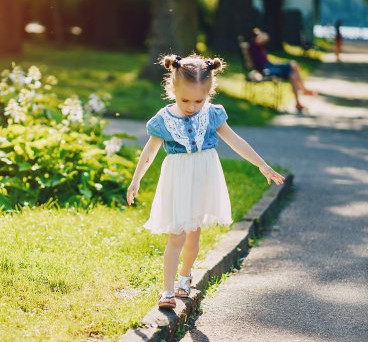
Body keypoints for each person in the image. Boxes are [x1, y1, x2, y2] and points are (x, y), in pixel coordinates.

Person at [126, 53, 285, 309]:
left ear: (209, 93)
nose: (191, 106)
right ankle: (166, 291)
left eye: (198, 100)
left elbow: (236, 141)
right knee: (176, 235)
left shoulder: (212, 115)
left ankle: (185, 279)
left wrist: (262, 165)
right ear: (172, 89)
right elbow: (149, 153)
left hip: (203, 175)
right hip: (177, 177)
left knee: (194, 232)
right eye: (185, 99)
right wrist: (136, 180)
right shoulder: (163, 120)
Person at [248, 27, 317, 112]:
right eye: (258, 35)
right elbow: (266, 37)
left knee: (292, 75)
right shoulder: (254, 44)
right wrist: (259, 33)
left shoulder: (257, 46)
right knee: (293, 65)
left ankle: (298, 102)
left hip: (269, 66)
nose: (260, 35)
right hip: (267, 69)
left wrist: (277, 63)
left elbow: (265, 38)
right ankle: (304, 90)